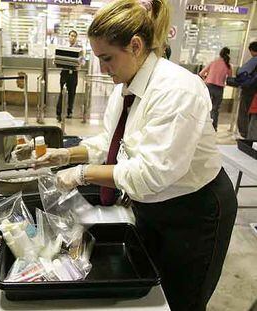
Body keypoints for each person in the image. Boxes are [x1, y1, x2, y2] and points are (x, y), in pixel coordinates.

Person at [34, 0, 237, 310]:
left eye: (107, 58)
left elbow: (150, 174)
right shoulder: (124, 87)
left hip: (195, 209)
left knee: (183, 297)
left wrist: (82, 174)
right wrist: (65, 155)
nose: (102, 68)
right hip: (151, 204)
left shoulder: (177, 90)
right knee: (150, 289)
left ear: (136, 45)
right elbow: (110, 142)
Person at [199, 47, 232, 131]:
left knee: (205, 105)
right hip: (219, 89)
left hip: (209, 86)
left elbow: (201, 73)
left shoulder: (213, 62)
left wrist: (207, 77)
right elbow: (230, 77)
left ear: (220, 53)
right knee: (215, 108)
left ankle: (202, 124)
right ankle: (214, 127)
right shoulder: (228, 65)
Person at [56, 30, 82, 121]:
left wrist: (80, 64)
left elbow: (83, 61)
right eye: (71, 35)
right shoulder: (64, 47)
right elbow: (58, 59)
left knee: (72, 93)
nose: (73, 37)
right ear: (68, 36)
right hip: (64, 73)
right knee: (62, 93)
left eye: (75, 36)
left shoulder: (79, 49)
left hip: (74, 74)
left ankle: (69, 112)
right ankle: (58, 113)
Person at [237, 41, 257, 138]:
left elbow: (241, 71)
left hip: (250, 91)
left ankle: (245, 134)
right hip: (254, 92)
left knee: (244, 111)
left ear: (253, 51)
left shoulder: (254, 60)